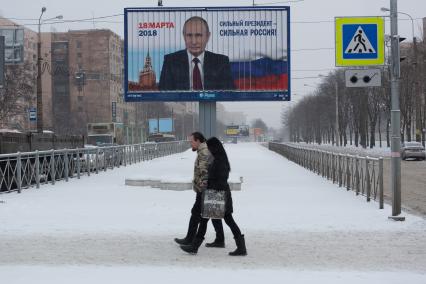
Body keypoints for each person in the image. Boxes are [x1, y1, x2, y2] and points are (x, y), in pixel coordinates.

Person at [180, 137, 247, 256]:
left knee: (227, 220)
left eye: (209, 147)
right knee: (204, 219)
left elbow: (221, 181)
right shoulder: (217, 159)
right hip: (216, 196)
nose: (208, 150)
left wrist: (208, 183)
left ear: (214, 148)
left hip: (219, 196)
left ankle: (241, 247)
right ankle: (194, 247)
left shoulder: (220, 161)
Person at [174, 132, 226, 248]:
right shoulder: (204, 150)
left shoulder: (203, 152)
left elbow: (204, 172)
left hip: (204, 189)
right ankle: (220, 239)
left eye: (191, 141)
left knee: (196, 213)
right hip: (207, 188)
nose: (190, 144)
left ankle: (190, 239)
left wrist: (203, 189)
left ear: (198, 141)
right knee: (213, 213)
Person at [159, 16, 235, 91]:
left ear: (208, 36)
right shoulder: (171, 61)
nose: (194, 42)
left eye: (198, 35)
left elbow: (229, 95)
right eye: (189, 35)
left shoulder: (221, 62)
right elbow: (164, 97)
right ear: (184, 36)